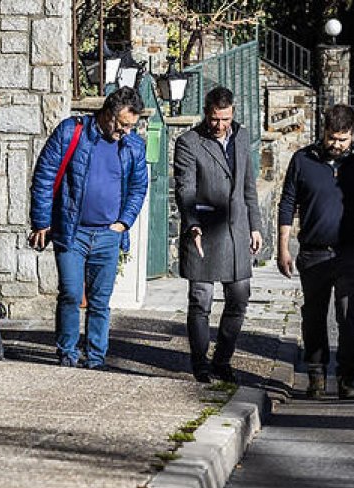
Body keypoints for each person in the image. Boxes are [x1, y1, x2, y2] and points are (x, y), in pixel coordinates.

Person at [28, 87, 148, 370]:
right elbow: (44, 177)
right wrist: (42, 222)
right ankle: (67, 352)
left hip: (109, 233)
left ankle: (96, 358)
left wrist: (124, 222)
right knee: (70, 292)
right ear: (107, 114)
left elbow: (138, 186)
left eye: (132, 126)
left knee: (100, 300)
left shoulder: (133, 145)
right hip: (72, 230)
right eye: (122, 125)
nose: (126, 131)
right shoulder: (72, 133)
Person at [276, 103, 354, 400]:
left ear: (353, 136)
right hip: (313, 251)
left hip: (349, 251)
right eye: (331, 137)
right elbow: (287, 204)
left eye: (342, 139)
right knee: (314, 315)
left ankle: (347, 377)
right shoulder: (302, 160)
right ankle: (316, 374)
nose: (336, 144)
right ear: (323, 131)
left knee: (348, 315)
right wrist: (284, 247)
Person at [173, 86, 264, 383]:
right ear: (206, 113)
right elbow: (184, 188)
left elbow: (248, 185)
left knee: (239, 297)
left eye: (225, 119)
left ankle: (222, 359)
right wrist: (192, 223)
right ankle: (200, 364)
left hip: (236, 231)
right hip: (203, 232)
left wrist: (255, 226)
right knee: (201, 300)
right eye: (214, 119)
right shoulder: (189, 142)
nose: (220, 125)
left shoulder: (241, 136)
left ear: (233, 112)